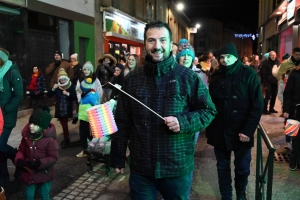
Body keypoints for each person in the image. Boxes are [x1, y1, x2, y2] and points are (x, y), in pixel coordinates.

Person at [110, 20, 216, 200]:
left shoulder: (188, 77)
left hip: (176, 167)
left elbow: (208, 111)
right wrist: (118, 156)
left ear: (170, 43)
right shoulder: (132, 79)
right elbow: (122, 120)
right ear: (144, 44)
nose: (157, 46)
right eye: (151, 40)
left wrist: (182, 122)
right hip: (141, 167)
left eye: (162, 40)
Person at [206, 42, 263, 200]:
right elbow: (211, 102)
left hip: (242, 131)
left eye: (228, 57)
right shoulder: (216, 76)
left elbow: (257, 105)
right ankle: (226, 196)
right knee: (222, 167)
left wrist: (248, 130)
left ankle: (240, 194)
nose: (225, 60)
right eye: (222, 57)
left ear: (236, 57)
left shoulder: (248, 74)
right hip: (220, 131)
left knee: (242, 168)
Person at [15, 105, 58, 200]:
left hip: (44, 173)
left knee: (44, 195)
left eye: (34, 124)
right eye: (30, 123)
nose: (31, 126)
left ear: (43, 128)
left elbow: (53, 157)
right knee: (28, 196)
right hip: (29, 172)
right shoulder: (27, 137)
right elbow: (21, 150)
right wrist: (19, 160)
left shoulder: (50, 140)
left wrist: (40, 163)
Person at [0, 48, 23, 185]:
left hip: (6, 117)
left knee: (1, 146)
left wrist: (5, 109)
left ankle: (16, 156)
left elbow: (19, 96)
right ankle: (4, 177)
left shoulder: (12, 72)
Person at [76, 61, 102, 157]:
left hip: (92, 109)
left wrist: (96, 102)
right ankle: (84, 149)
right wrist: (80, 100)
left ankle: (93, 149)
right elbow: (78, 91)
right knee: (83, 130)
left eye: (88, 69)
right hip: (83, 109)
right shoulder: (80, 79)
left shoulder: (96, 80)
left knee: (92, 130)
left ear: (91, 70)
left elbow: (99, 92)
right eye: (84, 69)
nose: (86, 71)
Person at [47, 68, 77, 149]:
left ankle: (66, 139)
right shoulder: (57, 87)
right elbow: (49, 95)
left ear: (66, 79)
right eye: (61, 80)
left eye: (64, 79)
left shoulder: (70, 86)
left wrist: (67, 93)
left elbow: (74, 97)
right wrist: (53, 88)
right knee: (63, 124)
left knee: (64, 124)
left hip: (67, 108)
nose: (62, 81)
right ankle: (66, 138)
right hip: (59, 108)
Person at [283, 66, 300, 171]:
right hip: (295, 110)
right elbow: (287, 93)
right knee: (295, 137)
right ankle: (293, 161)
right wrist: (286, 109)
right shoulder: (294, 74)